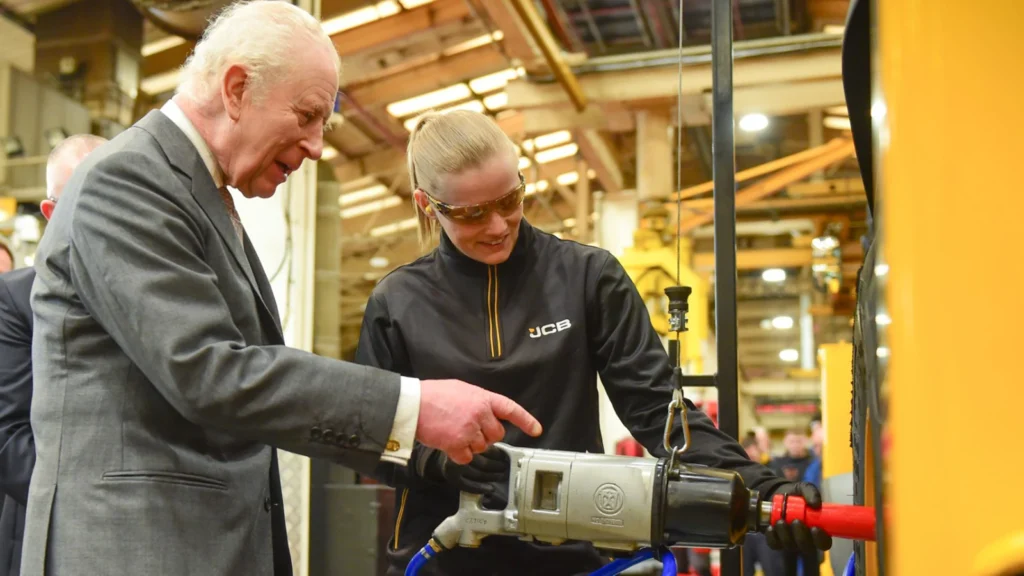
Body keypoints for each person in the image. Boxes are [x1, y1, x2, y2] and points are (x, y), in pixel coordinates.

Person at [21, 3, 540, 576]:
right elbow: (210, 372)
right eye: (307, 115)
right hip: (141, 548)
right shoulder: (127, 182)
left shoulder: (197, 194)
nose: (317, 146)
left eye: (326, 122)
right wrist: (415, 409)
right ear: (237, 89)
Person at [356, 109, 831, 575]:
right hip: (440, 558)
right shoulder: (398, 303)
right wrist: (436, 462)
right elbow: (369, 437)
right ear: (427, 205)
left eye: (511, 199)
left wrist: (761, 487)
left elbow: (655, 408)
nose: (499, 225)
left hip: (570, 554)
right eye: (473, 213)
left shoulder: (586, 277)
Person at [0, 134, 107, 576]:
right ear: (50, 212)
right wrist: (89, 506)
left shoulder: (153, 292)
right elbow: (8, 435)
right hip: (43, 527)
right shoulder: (18, 298)